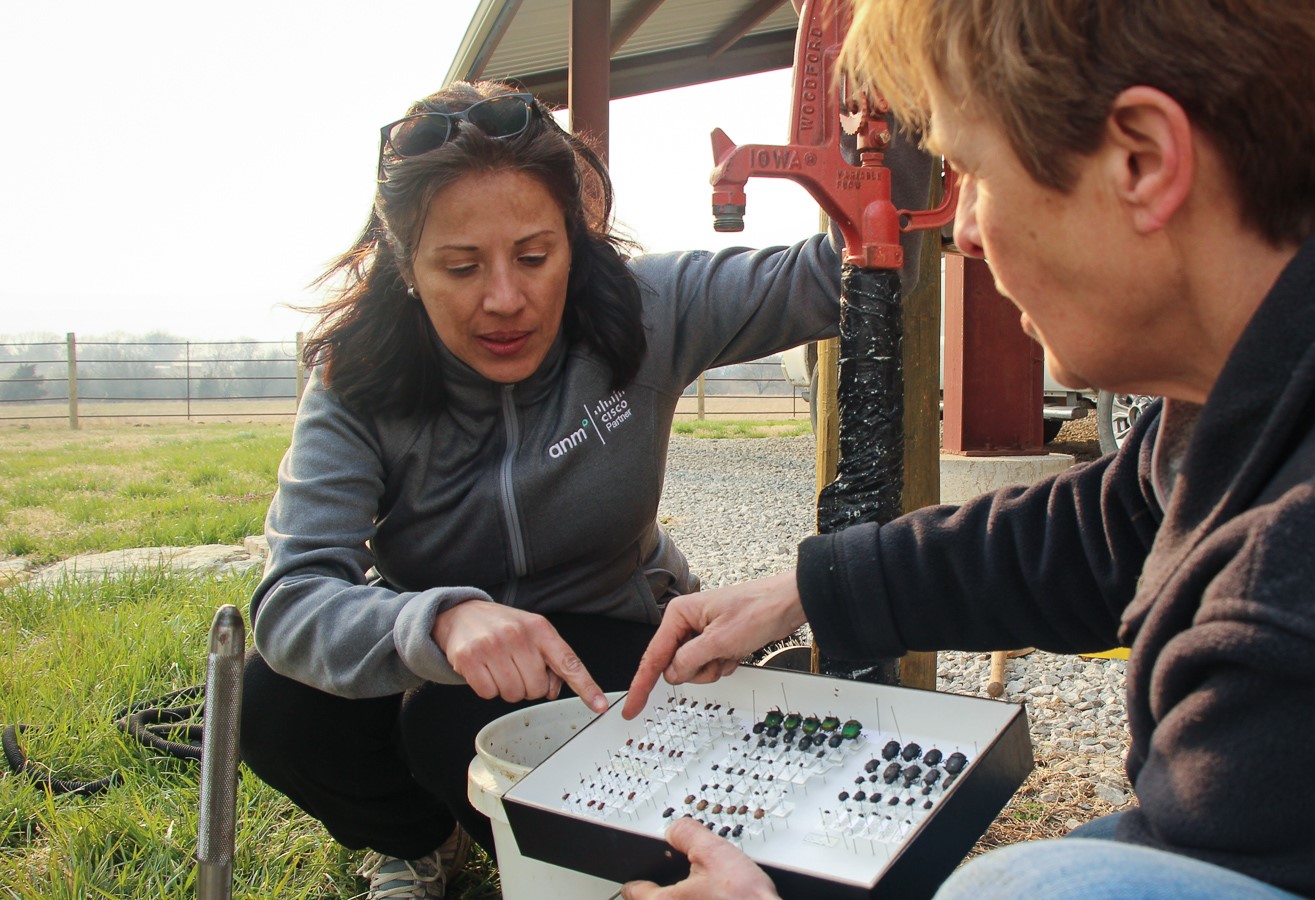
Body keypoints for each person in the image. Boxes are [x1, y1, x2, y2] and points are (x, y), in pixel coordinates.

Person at [621, 1, 1315, 898]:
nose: (961, 232)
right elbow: (1120, 520)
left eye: (973, 173)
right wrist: (808, 591)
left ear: (1141, 161)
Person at [239, 81, 927, 899]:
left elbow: (851, 273)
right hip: (445, 646)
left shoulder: (648, 309)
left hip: (613, 633)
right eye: (461, 266)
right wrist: (442, 619)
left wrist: (900, 111)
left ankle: (592, 862)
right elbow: (292, 600)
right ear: (407, 267)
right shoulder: (356, 377)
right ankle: (419, 842)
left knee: (449, 728)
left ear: (575, 238)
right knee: (274, 703)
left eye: (535, 256)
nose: (505, 298)